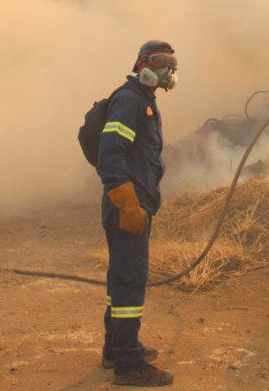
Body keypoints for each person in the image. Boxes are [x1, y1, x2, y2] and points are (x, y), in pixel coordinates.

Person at [96, 40, 178, 386]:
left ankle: (116, 347)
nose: (165, 70)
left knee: (120, 281)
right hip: (127, 205)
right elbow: (109, 153)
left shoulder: (143, 101)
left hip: (131, 202)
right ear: (142, 62)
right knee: (130, 282)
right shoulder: (130, 100)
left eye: (171, 63)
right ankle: (129, 364)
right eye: (159, 61)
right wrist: (128, 204)